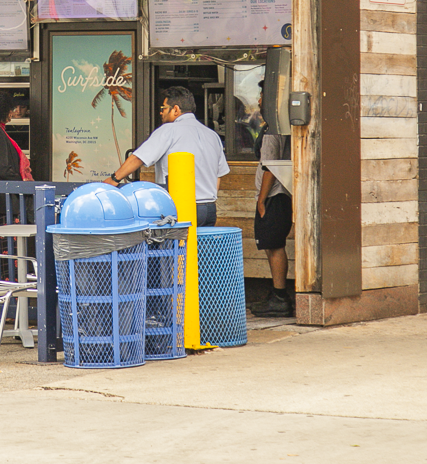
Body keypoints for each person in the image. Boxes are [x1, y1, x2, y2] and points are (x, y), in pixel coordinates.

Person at [103, 86, 228, 227]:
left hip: (179, 207)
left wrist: (114, 179)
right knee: (201, 249)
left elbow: (138, 158)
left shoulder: (169, 130)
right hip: (209, 209)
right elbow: (219, 175)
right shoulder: (212, 135)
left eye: (163, 108)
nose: (161, 112)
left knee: (174, 248)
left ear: (175, 109)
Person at [252, 107, 294, 317]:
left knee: (274, 245)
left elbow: (269, 167)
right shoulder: (283, 128)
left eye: (262, 96)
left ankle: (279, 297)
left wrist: (261, 200)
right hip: (281, 194)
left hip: (273, 195)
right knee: (272, 244)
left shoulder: (272, 132)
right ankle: (278, 295)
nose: (259, 102)